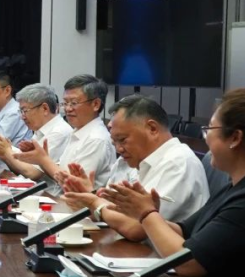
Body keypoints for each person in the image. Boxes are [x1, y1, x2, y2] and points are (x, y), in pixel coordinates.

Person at [103, 88, 245, 277]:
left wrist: (146, 214)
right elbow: (183, 229)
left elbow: (187, 263)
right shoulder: (238, 186)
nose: (205, 138)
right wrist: (145, 213)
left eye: (209, 130)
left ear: (235, 138)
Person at [61, 95, 209, 240]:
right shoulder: (136, 159)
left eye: (123, 140)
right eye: (115, 142)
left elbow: (136, 226)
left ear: (152, 128)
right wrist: (90, 196)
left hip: (157, 254)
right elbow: (115, 212)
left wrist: (95, 203)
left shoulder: (177, 163)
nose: (119, 149)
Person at [0, 74, 115, 190]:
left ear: (95, 104)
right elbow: (60, 170)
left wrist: (41, 159)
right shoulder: (77, 132)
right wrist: (33, 156)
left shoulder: (95, 139)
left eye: (73, 103)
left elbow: (74, 186)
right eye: (65, 103)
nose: (68, 109)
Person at [9, 83, 74, 163]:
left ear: (45, 108)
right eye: (21, 111)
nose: (23, 117)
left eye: (25, 111)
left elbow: (34, 169)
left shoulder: (59, 132)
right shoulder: (40, 129)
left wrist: (7, 151)